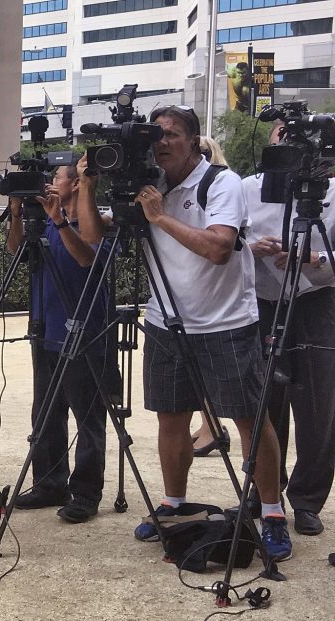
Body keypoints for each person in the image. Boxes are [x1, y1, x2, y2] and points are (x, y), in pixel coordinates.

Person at [78, 106, 291, 560]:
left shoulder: (221, 182)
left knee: (250, 419)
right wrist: (88, 188)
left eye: (171, 134)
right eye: (155, 135)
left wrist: (159, 217)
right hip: (165, 319)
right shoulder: (146, 185)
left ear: (194, 141)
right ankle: (174, 504)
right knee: (170, 417)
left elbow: (218, 248)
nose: (161, 142)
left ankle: (271, 510)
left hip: (226, 322)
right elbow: (94, 237)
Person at [7, 159, 115, 523]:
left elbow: (87, 257)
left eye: (54, 177)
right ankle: (49, 483)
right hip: (46, 329)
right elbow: (14, 250)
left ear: (75, 184)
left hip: (84, 330)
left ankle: (85, 492)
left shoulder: (93, 221)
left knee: (87, 417)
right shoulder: (42, 220)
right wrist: (18, 212)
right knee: (46, 412)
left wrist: (58, 219)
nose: (47, 182)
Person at [243, 120, 335, 536]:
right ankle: (265, 492)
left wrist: (314, 259)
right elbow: (226, 238)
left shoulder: (332, 188)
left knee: (318, 409)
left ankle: (308, 500)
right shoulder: (247, 187)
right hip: (262, 302)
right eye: (284, 134)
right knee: (264, 401)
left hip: (317, 302)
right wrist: (251, 248)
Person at [190, 135, 233, 456]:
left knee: (210, 372)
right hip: (186, 299)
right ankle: (209, 426)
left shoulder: (222, 186)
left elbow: (220, 246)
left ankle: (212, 428)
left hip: (217, 301)